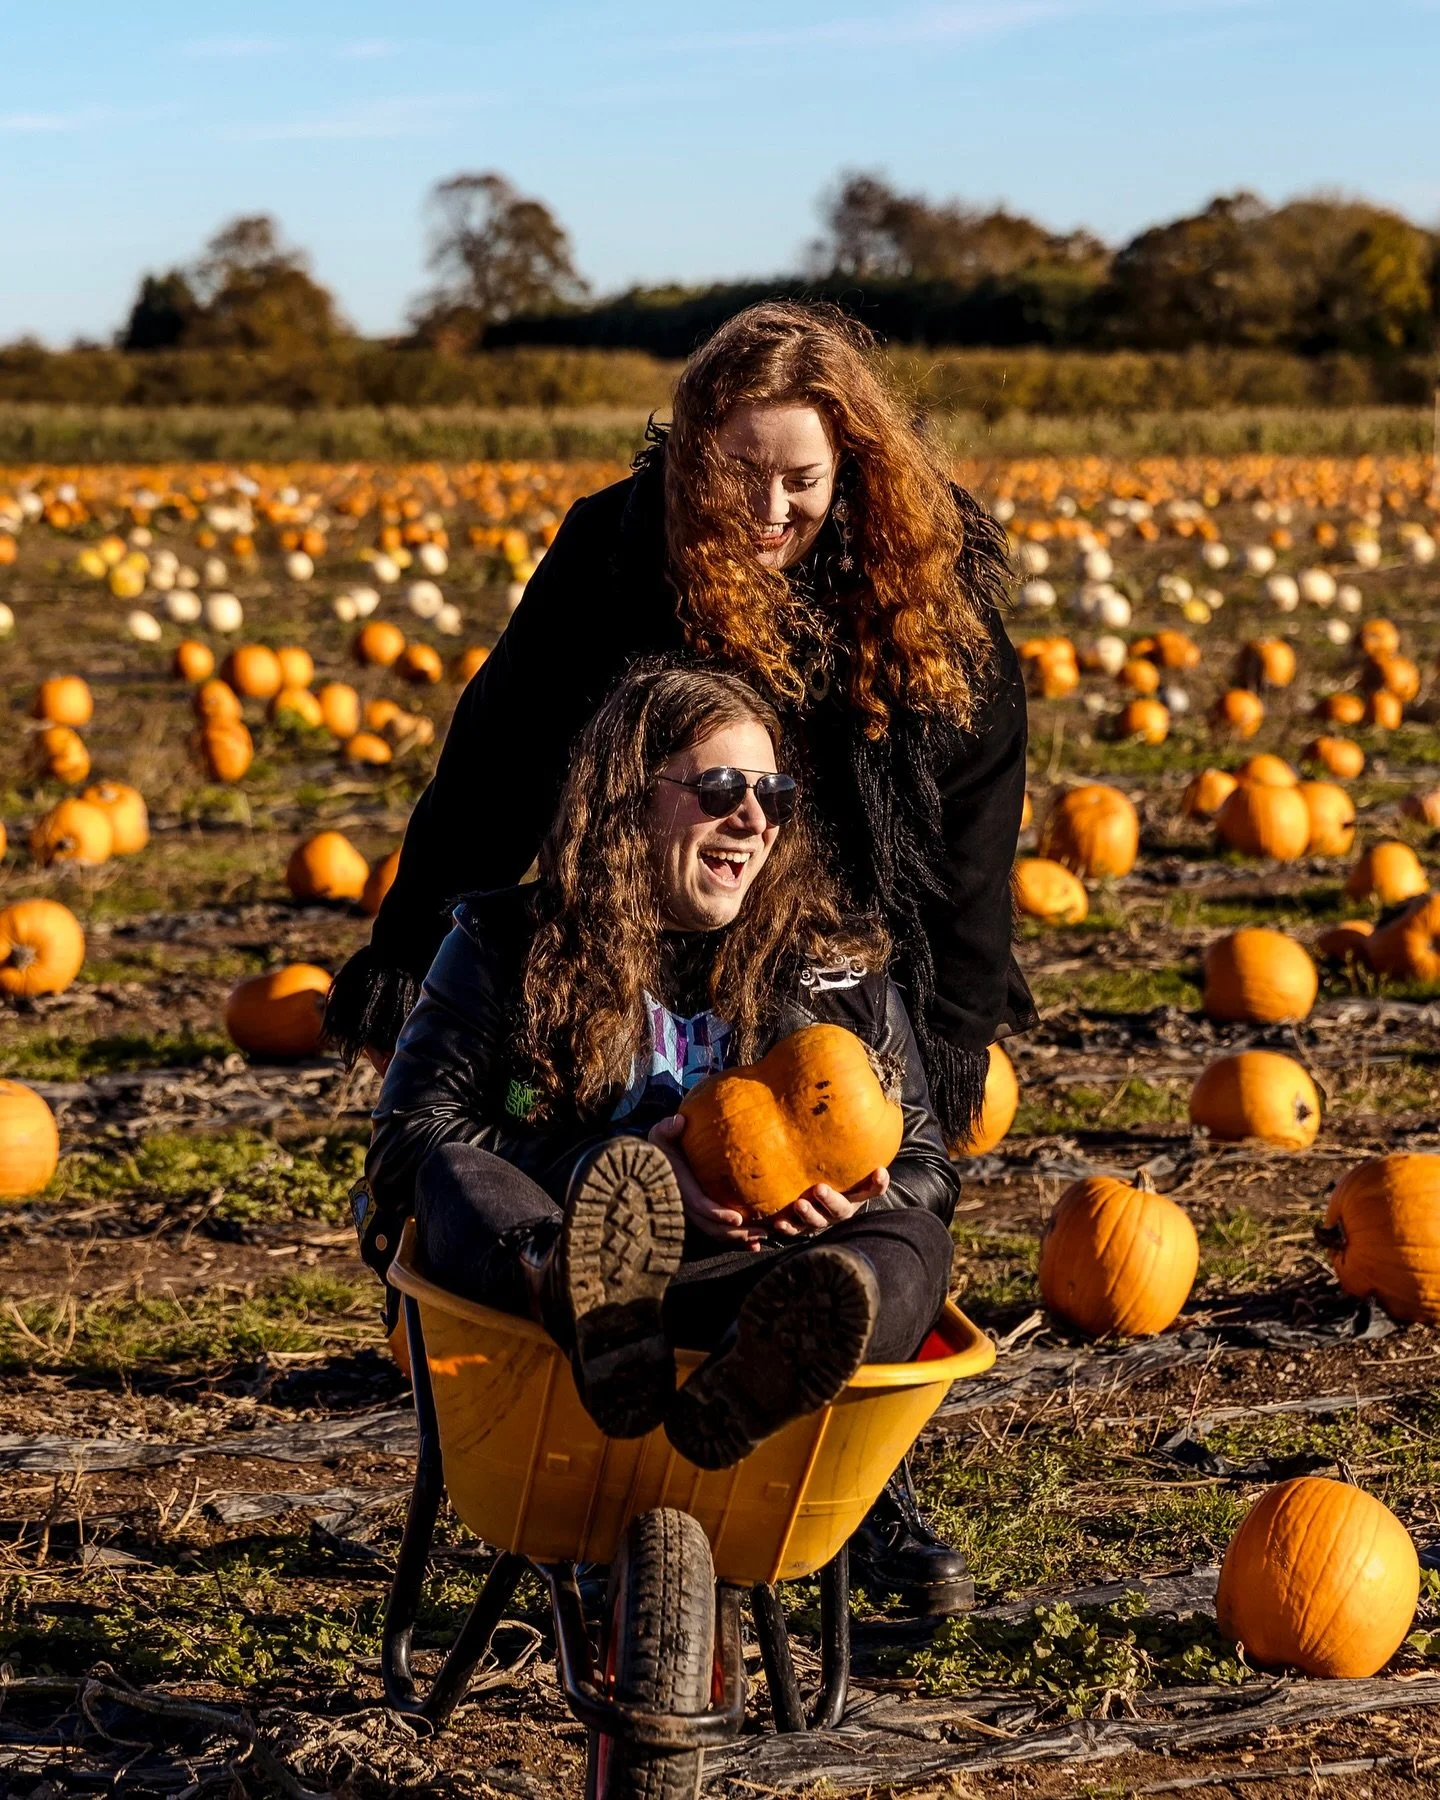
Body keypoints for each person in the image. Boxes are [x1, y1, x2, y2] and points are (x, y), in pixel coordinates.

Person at [338, 299, 1034, 1608]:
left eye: (804, 482)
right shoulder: (617, 556)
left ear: (855, 468)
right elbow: (497, 751)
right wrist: (415, 944)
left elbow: (975, 838)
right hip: (634, 934)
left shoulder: (922, 586)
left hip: (832, 941)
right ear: (688, 455)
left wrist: (928, 1078)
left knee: (878, 1223)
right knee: (508, 1163)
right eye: (741, 475)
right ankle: (595, 1351)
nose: (771, 511)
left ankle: (832, 1465)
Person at [362, 666, 958, 1475]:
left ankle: (748, 1388)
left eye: (774, 794)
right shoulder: (509, 946)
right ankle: (575, 1298)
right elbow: (407, 1141)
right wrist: (623, 1169)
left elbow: (925, 1165)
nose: (753, 819)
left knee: (913, 1238)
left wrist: (845, 1202)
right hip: (568, 1299)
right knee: (455, 1171)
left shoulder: (832, 963)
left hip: (755, 1287)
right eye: (718, 788)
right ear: (631, 798)